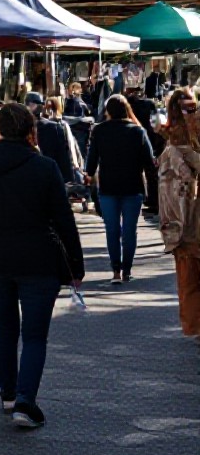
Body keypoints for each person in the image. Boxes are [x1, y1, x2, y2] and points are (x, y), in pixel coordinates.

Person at [0, 103, 84, 429]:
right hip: (37, 259)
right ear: (31, 130)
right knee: (34, 335)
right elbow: (63, 220)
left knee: (4, 328)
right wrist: (75, 265)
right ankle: (26, 403)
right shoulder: (44, 167)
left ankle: (8, 393)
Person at [85, 94, 155, 284]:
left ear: (108, 111)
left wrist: (88, 175)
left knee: (112, 229)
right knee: (129, 230)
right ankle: (127, 271)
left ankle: (115, 270)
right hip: (133, 186)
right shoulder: (138, 131)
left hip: (108, 186)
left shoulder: (99, 131)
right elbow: (149, 162)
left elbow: (91, 161)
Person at [158, 88, 200, 336]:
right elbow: (169, 194)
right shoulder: (171, 148)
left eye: (194, 108)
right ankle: (194, 328)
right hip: (185, 226)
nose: (192, 115)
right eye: (187, 109)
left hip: (187, 225)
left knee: (190, 283)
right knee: (188, 282)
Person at [126, 87, 163, 217]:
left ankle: (142, 198)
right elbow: (156, 123)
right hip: (151, 140)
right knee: (151, 172)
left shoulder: (128, 105)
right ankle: (153, 201)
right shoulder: (150, 104)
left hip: (135, 141)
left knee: (136, 171)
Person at [25, 92, 75, 186]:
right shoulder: (54, 127)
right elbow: (64, 158)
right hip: (45, 174)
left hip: (44, 175)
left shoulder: (53, 127)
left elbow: (63, 156)